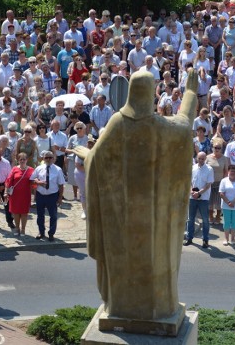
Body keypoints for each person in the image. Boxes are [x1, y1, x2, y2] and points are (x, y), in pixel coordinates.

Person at [80, 68, 199, 325]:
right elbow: (184, 123)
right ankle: (154, 309)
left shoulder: (117, 123)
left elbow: (97, 158)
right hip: (154, 224)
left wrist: (86, 156)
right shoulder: (161, 127)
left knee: (123, 263)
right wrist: (190, 93)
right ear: (151, 94)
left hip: (122, 223)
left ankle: (122, 308)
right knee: (156, 263)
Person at [30, 150, 65, 241]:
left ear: (53, 159)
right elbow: (31, 180)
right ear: (43, 159)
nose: (48, 159)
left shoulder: (58, 169)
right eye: (46, 157)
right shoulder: (39, 168)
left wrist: (60, 197)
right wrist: (38, 182)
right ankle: (41, 232)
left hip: (52, 196)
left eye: (50, 157)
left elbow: (61, 185)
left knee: (53, 216)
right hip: (40, 195)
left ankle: (51, 234)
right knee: (40, 215)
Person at [184, 151, 213, 248]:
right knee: (190, 219)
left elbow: (208, 184)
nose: (200, 160)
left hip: (203, 199)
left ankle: (205, 240)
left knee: (205, 220)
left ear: (205, 159)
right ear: (197, 158)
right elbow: (189, 182)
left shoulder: (209, 169)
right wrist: (191, 191)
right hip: (192, 197)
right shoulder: (193, 168)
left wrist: (199, 193)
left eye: (202, 159)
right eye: (199, 158)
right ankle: (189, 238)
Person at [4, 153, 34, 236]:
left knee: (24, 213)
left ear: (27, 160)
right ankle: (17, 228)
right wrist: (6, 192)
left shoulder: (31, 170)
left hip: (26, 194)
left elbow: (34, 182)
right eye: (20, 159)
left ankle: (23, 229)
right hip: (15, 195)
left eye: (24, 159)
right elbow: (8, 181)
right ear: (18, 160)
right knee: (16, 213)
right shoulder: (14, 169)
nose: (22, 161)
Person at [219, 164, 235, 246]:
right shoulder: (224, 180)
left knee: (234, 223)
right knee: (226, 222)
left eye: (234, 171)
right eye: (231, 171)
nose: (232, 172)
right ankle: (226, 238)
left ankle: (233, 238)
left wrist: (233, 202)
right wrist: (228, 202)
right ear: (228, 171)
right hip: (226, 205)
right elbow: (221, 193)